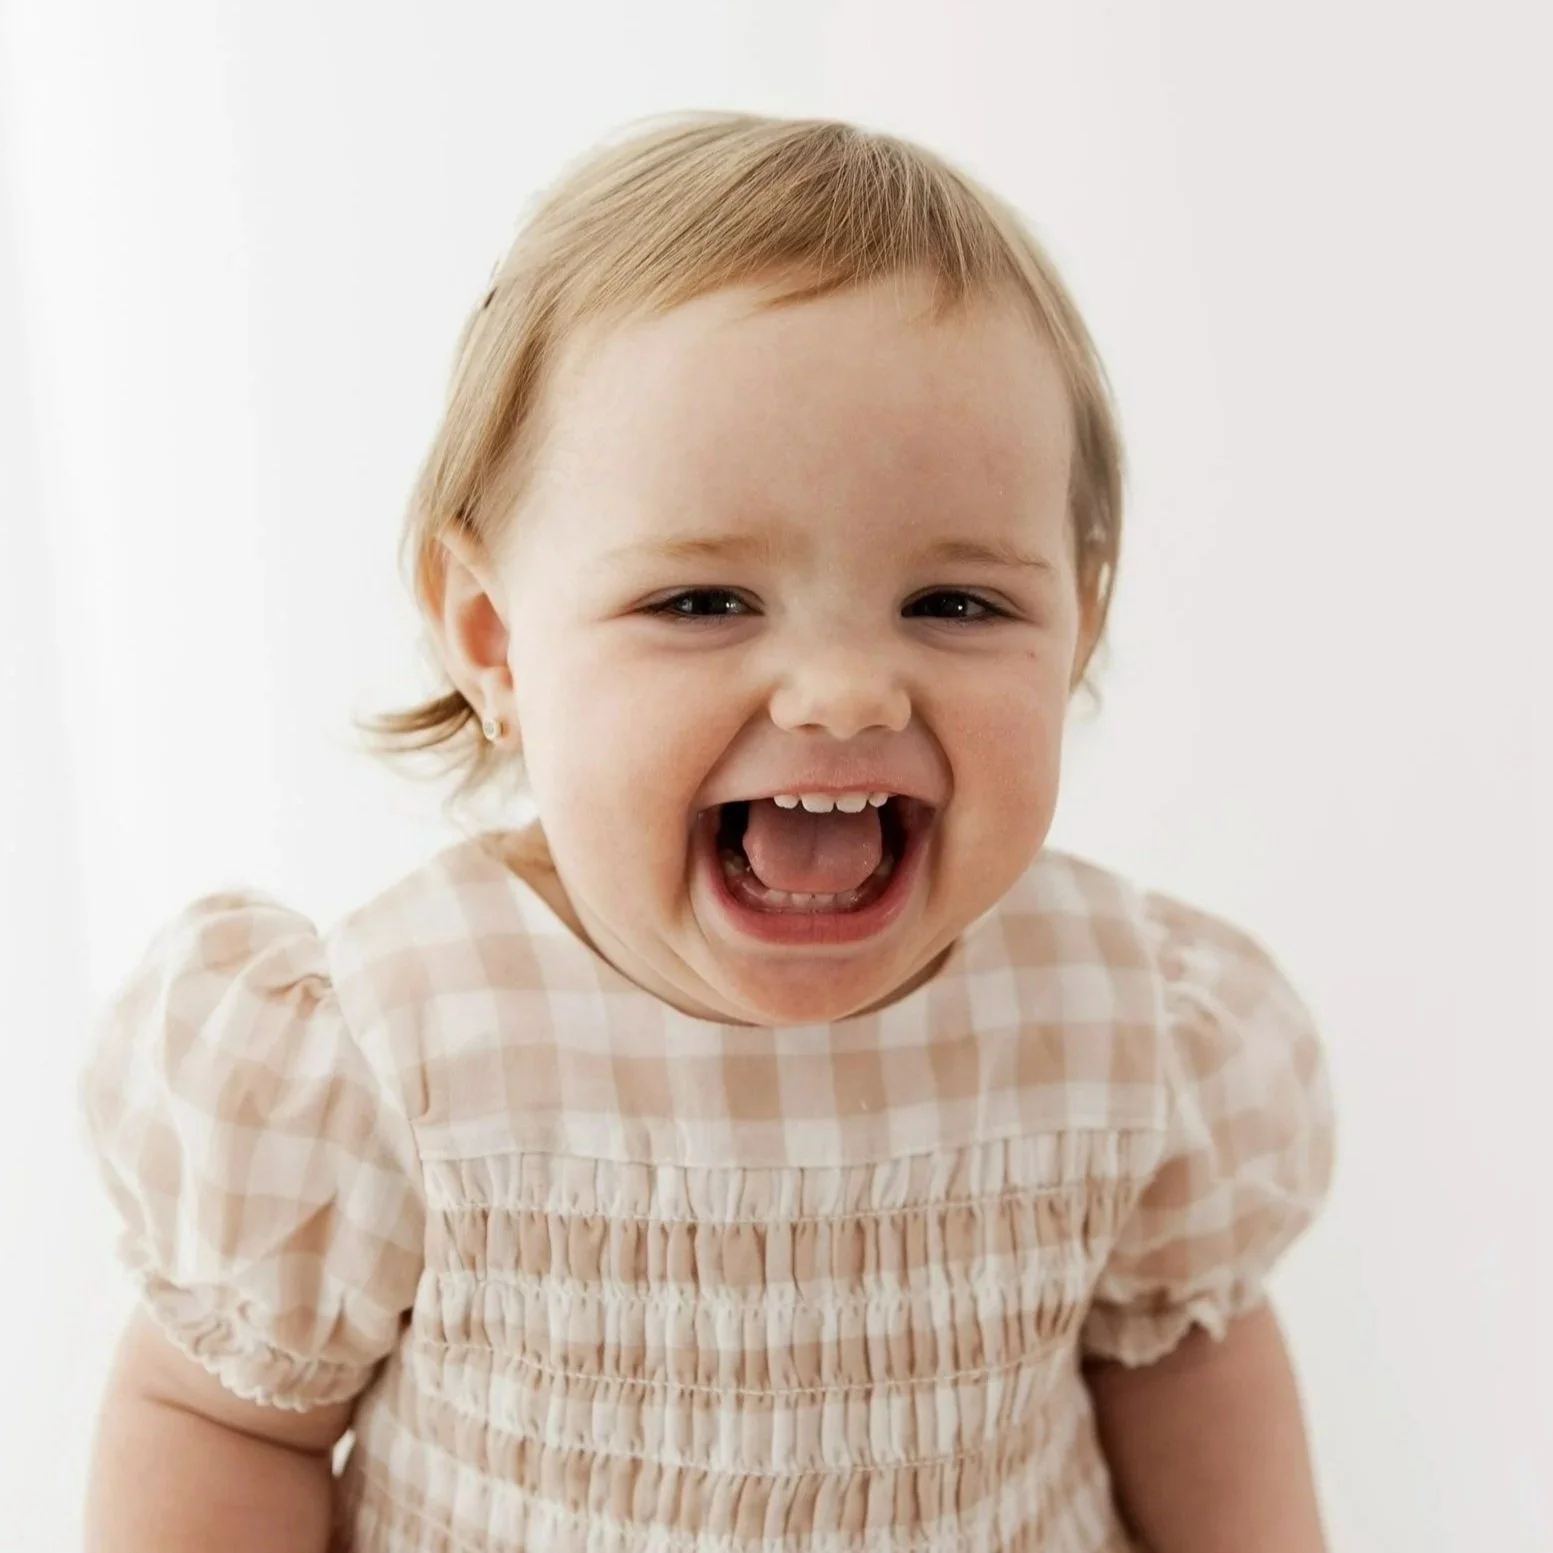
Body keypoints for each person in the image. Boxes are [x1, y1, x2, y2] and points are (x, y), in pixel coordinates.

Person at [77, 111, 1335, 1553]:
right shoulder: (388, 1054)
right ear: (495, 639)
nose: (846, 691)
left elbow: (1185, 1367)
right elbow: (227, 1420)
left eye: (956, 603)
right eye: (702, 601)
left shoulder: (1127, 1025)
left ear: (1079, 624)